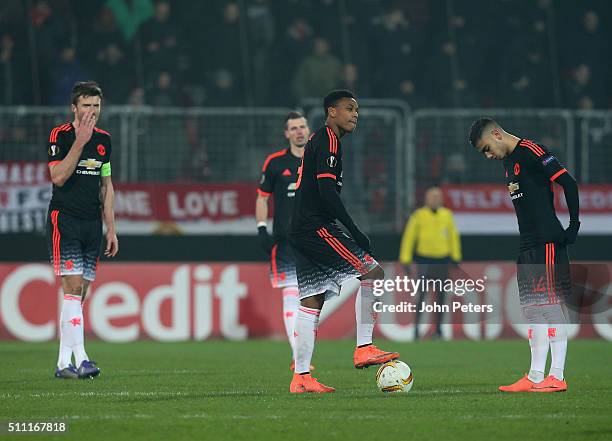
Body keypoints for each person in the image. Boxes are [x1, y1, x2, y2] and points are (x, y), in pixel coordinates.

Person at [288, 90, 399, 393]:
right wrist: (353, 230)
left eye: (357, 110)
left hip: (300, 229)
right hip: (315, 228)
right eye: (349, 109)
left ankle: (301, 378)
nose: (355, 115)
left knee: (312, 301)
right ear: (331, 112)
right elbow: (327, 191)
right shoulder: (328, 140)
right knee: (373, 272)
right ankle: (364, 346)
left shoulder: (320, 140)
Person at [468, 117, 579, 393]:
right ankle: (535, 376)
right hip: (527, 244)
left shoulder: (532, 150)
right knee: (532, 310)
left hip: (547, 242)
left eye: (486, 149)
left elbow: (569, 183)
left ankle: (557, 375)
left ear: (496, 133)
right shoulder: (508, 163)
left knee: (551, 307)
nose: (488, 155)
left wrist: (573, 226)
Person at [47, 81, 119, 379]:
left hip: (93, 223)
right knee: (73, 289)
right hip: (66, 219)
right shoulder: (61, 136)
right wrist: (80, 141)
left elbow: (106, 185)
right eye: (86, 105)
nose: (92, 111)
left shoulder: (104, 140)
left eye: (96, 106)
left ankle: (64, 363)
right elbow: (58, 177)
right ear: (74, 108)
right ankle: (84, 359)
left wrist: (111, 228)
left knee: (80, 294)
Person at [256, 111, 311, 371]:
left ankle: (301, 355)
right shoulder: (275, 163)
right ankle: (298, 357)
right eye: (294, 128)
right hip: (287, 242)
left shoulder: (320, 160)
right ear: (286, 133)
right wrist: (261, 229)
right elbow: (262, 198)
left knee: (313, 299)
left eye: (302, 126)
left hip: (315, 240)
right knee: (292, 296)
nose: (299, 131)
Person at [399, 186, 462, 340]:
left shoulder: (447, 215)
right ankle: (416, 329)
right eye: (432, 196)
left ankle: (438, 330)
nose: (435, 199)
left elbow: (453, 236)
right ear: (426, 199)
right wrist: (405, 259)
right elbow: (409, 238)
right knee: (421, 296)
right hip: (424, 260)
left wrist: (455, 257)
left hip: (442, 260)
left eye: (437, 196)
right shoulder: (418, 216)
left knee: (441, 297)